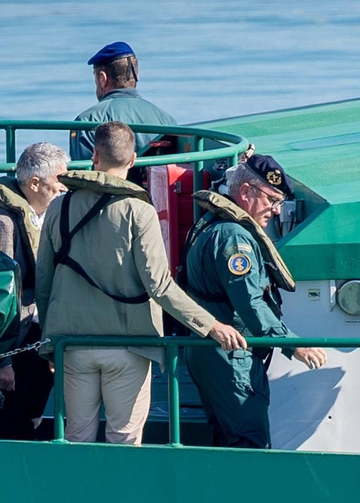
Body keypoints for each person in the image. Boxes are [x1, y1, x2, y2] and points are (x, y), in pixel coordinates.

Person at [35, 120, 245, 444]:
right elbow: (159, 286)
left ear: (94, 156)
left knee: (76, 437)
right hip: (128, 344)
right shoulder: (139, 210)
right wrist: (211, 326)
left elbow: (44, 282)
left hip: (71, 343)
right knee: (124, 440)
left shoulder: (59, 207)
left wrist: (49, 341)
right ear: (133, 160)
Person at [180, 153, 325, 447]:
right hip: (231, 356)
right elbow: (250, 303)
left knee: (226, 442)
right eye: (272, 200)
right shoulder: (235, 239)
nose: (276, 210)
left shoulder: (212, 223)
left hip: (211, 352)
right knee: (250, 443)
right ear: (246, 192)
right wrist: (292, 344)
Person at [0, 143, 67, 440]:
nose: (64, 188)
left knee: (33, 420)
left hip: (38, 339)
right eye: (59, 180)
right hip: (15, 346)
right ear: (35, 183)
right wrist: (0, 362)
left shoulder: (44, 219)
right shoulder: (1, 226)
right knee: (10, 425)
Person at [70, 42, 176, 160]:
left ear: (102, 79)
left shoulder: (86, 121)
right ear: (136, 75)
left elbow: (83, 169)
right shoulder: (167, 120)